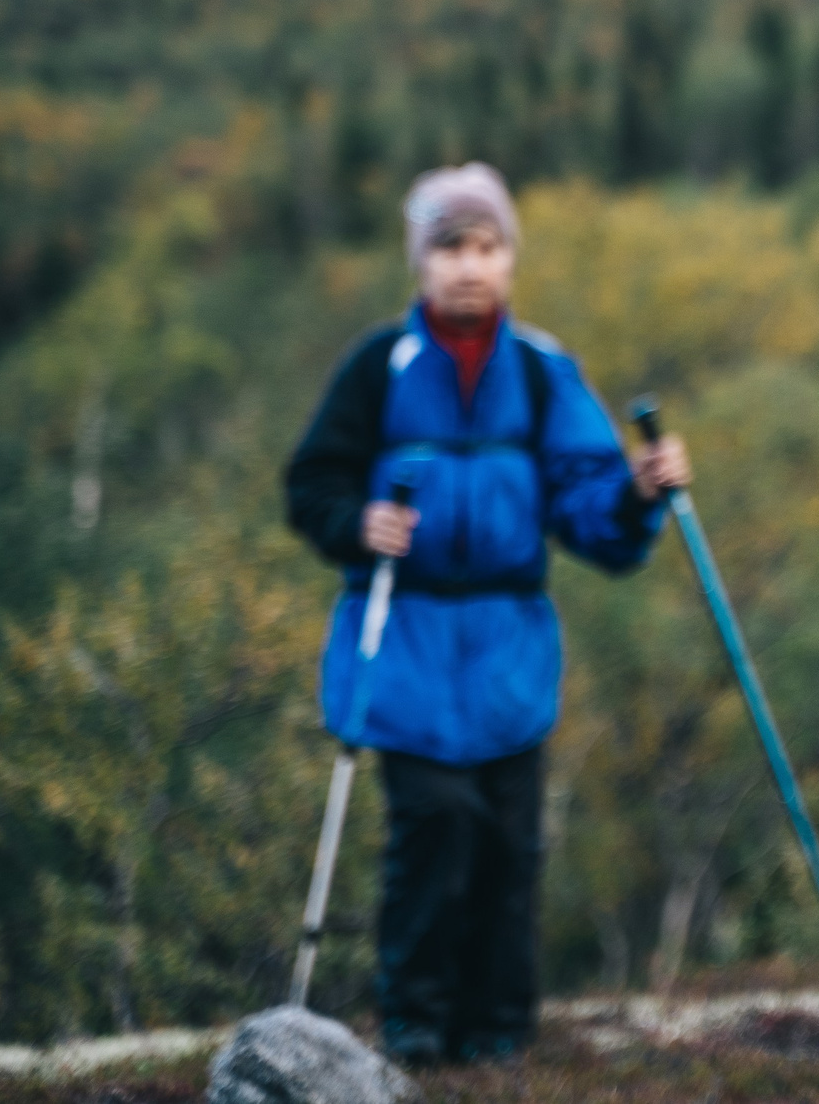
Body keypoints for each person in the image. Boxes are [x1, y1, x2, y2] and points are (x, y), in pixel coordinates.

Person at [284, 162, 689, 1066]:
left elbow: (593, 512)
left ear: (509, 257)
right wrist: (358, 522)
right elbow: (310, 483)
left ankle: (502, 1033)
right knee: (431, 833)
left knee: (509, 849)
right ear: (419, 261)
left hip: (508, 652)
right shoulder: (377, 367)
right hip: (406, 647)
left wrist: (633, 492)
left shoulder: (544, 373)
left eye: (486, 246)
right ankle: (418, 1024)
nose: (469, 266)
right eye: (449, 247)